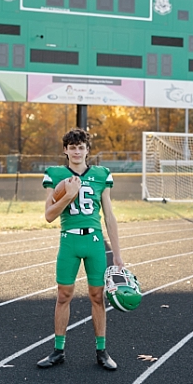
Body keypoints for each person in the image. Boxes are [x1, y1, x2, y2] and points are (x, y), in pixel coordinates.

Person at [37, 127, 125, 370]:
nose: (77, 151)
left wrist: (117, 254)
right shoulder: (55, 175)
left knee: (97, 296)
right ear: (65, 150)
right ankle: (58, 350)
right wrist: (68, 195)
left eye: (81, 147)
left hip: (94, 241)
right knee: (63, 295)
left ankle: (101, 351)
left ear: (87, 150)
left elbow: (109, 216)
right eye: (72, 147)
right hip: (69, 240)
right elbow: (48, 215)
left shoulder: (101, 174)